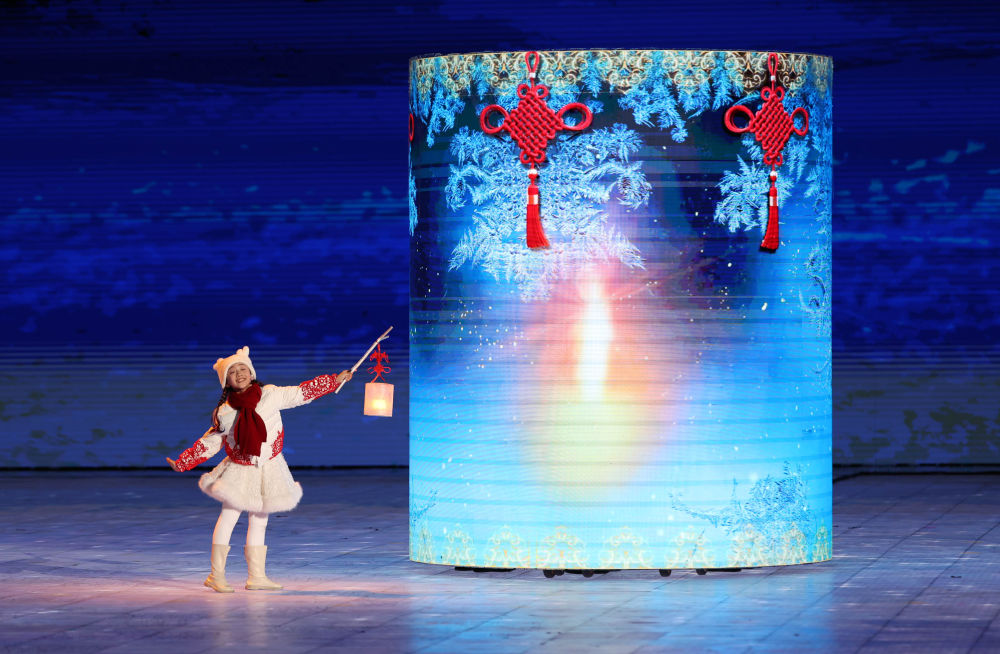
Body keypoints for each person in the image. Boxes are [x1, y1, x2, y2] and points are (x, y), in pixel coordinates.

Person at [167, 346, 352, 592]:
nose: (239, 374)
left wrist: (333, 381)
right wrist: (183, 462)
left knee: (259, 520)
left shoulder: (270, 395)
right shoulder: (225, 412)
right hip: (240, 469)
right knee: (229, 517)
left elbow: (300, 393)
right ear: (226, 382)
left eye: (242, 368)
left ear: (251, 373)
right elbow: (210, 442)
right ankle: (216, 575)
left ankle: (256, 576)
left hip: (268, 467)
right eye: (232, 372)